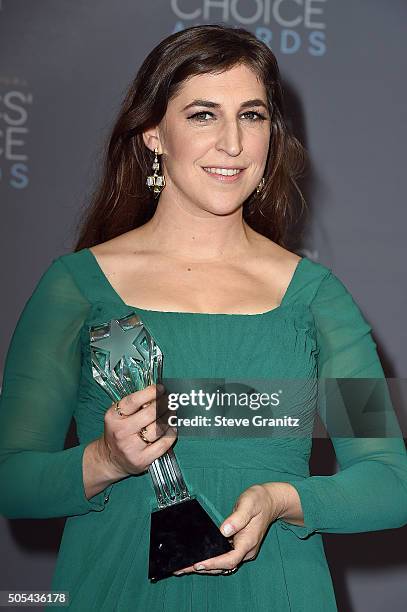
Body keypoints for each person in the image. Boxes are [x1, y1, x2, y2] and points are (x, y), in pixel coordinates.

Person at [0, 24, 406, 612]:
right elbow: (12, 480)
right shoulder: (75, 288)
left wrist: (282, 500)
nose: (233, 143)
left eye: (252, 115)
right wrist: (104, 461)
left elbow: (390, 484)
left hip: (279, 593)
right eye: (202, 115)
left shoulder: (319, 298)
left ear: (272, 134)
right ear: (152, 134)